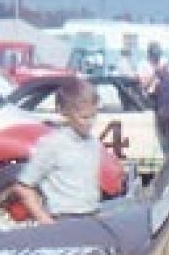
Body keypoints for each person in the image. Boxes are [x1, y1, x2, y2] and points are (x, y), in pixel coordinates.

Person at [11, 80, 109, 224]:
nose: (90, 122)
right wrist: (45, 220)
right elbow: (23, 187)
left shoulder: (93, 143)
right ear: (65, 112)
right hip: (64, 218)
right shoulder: (52, 144)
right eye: (84, 117)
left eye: (93, 116)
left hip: (92, 215)